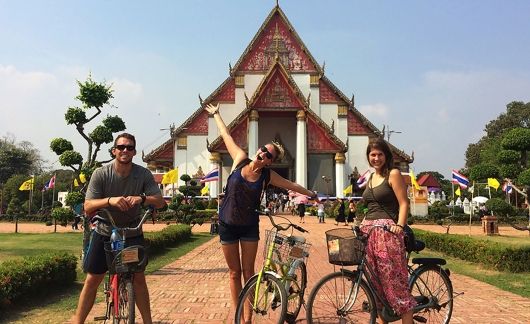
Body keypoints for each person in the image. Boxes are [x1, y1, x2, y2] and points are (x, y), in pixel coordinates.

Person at [205, 103, 318, 322]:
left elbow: (291, 185)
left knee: (249, 273)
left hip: (248, 226)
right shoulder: (240, 159)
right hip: (227, 224)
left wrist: (311, 193)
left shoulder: (267, 176)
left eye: (269, 156)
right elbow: (226, 135)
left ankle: (247, 318)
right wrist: (216, 114)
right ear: (258, 150)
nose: (264, 155)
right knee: (234, 273)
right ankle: (239, 315)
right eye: (263, 151)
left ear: (271, 162)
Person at [73, 133, 166, 324]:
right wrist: (110, 201)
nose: (125, 150)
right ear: (114, 150)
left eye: (130, 148)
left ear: (134, 152)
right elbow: (88, 206)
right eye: (121, 147)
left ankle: (148, 321)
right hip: (105, 231)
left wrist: (141, 198)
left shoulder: (143, 174)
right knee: (93, 279)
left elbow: (160, 201)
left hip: (132, 232)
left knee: (138, 278)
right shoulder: (101, 173)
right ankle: (78, 321)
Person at [361, 137, 416, 324]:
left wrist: (399, 226)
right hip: (369, 233)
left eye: (379, 154)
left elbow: (403, 203)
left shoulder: (392, 174)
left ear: (386, 156)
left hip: (387, 234)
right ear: (368, 157)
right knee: (376, 286)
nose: (376, 158)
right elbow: (370, 206)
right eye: (372, 154)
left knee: (394, 285)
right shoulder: (371, 177)